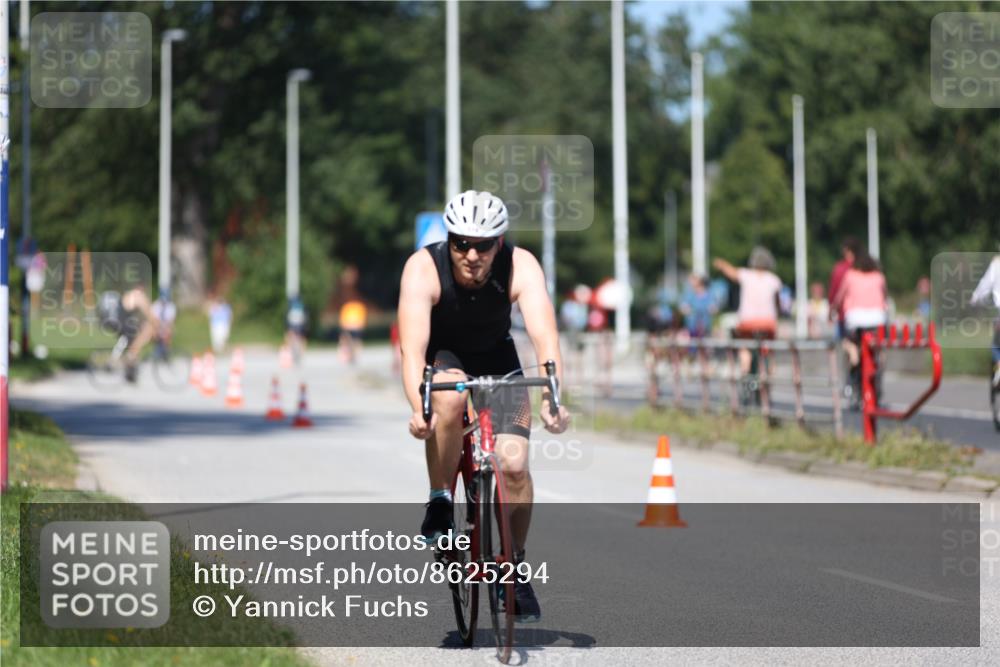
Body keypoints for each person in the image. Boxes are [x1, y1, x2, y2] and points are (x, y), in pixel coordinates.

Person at [397, 190, 570, 623]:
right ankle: (440, 499)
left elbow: (545, 336)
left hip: (497, 358)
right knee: (449, 395)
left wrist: (553, 397)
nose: (471, 255)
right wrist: (418, 408)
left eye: (483, 245)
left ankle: (512, 566)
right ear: (449, 239)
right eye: (460, 243)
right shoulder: (423, 268)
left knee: (514, 467)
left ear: (500, 242)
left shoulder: (521, 265)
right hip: (446, 358)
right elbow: (413, 351)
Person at [712, 247, 782, 375]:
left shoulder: (746, 275)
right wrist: (778, 313)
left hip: (747, 322)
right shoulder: (773, 279)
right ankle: (768, 372)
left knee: (744, 346)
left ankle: (745, 368)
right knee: (769, 348)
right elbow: (778, 303)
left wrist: (721, 264)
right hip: (768, 323)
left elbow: (731, 272)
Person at [830, 252, 889, 405]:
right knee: (879, 349)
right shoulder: (878, 276)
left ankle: (853, 373)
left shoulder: (851, 275)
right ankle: (878, 371)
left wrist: (833, 310)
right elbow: (885, 297)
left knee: (850, 347)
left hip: (855, 319)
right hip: (877, 319)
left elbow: (840, 297)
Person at [970, 251, 1000, 385]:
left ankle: (999, 368)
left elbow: (985, 285)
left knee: (996, 346)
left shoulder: (996, 264)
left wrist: (975, 298)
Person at [120, 283, 159, 383]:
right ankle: (131, 356)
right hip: (125, 322)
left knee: (143, 330)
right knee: (146, 333)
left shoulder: (130, 294)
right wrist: (156, 325)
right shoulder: (138, 296)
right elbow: (149, 313)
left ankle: (131, 365)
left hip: (123, 321)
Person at [828, 237, 861, 339]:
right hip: (866, 315)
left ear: (846, 250)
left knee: (844, 344)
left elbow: (833, 292)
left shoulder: (839, 269)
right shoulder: (864, 267)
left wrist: (830, 310)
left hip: (844, 314)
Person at [338, 298, 368, 364]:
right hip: (348, 328)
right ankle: (346, 355)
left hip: (356, 328)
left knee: (356, 341)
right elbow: (342, 320)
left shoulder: (359, 307)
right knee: (344, 340)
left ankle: (355, 355)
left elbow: (362, 320)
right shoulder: (346, 307)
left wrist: (357, 326)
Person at [151, 292, 177, 359]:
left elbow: (171, 321)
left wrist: (167, 329)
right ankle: (157, 350)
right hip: (157, 326)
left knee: (168, 332)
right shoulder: (155, 306)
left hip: (166, 326)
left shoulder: (171, 306)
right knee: (155, 332)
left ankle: (166, 351)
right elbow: (154, 320)